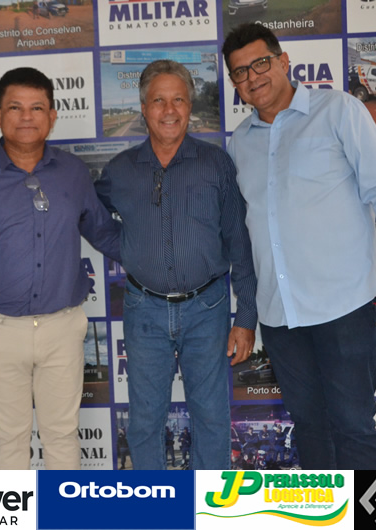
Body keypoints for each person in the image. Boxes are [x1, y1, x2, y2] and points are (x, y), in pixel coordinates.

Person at [222, 23, 376, 470]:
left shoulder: (338, 111)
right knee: (309, 428)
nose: (252, 77)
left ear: (283, 61)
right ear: (234, 83)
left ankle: (365, 507)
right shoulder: (240, 142)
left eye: (260, 64)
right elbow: (247, 233)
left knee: (353, 428)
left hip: (343, 307)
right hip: (280, 316)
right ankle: (327, 508)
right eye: (240, 72)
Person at [0, 67, 121, 470]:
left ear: (52, 115)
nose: (26, 117)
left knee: (62, 433)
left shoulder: (73, 172)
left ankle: (60, 507)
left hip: (62, 327)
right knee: (10, 437)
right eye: (15, 107)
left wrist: (162, 260)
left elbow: (104, 233)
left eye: (37, 107)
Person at [95, 60, 258, 470]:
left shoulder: (216, 164)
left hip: (207, 308)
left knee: (212, 418)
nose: (169, 110)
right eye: (158, 101)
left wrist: (246, 317)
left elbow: (239, 243)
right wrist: (128, 249)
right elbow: (89, 216)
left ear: (189, 106)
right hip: (144, 310)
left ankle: (209, 503)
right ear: (143, 107)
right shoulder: (120, 170)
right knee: (145, 421)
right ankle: (154, 502)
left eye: (179, 100)